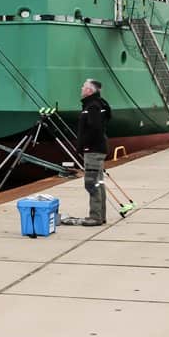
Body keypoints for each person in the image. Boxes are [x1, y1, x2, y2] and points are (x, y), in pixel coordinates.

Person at [76, 78, 111, 226]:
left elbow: (95, 128)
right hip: (97, 149)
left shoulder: (92, 106)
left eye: (83, 87)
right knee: (99, 183)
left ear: (90, 90)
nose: (81, 89)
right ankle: (100, 215)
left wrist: (83, 144)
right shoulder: (100, 104)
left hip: (93, 150)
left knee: (91, 183)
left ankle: (95, 217)